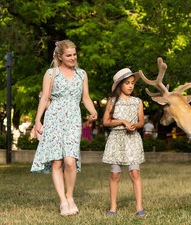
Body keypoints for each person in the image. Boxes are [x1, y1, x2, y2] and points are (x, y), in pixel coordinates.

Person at [30, 40, 98, 216]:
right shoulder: (50, 73)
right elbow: (45, 98)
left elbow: (86, 98)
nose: (73, 58)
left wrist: (93, 110)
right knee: (57, 161)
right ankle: (63, 201)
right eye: (69, 55)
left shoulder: (82, 74)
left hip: (73, 120)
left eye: (74, 54)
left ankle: (70, 196)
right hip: (53, 119)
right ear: (60, 56)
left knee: (70, 160)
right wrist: (38, 121)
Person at [102, 68, 146, 216]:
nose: (130, 86)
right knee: (115, 175)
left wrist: (135, 125)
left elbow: (141, 122)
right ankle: (113, 207)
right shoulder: (112, 101)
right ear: (120, 84)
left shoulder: (137, 102)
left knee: (135, 172)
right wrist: (122, 121)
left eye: (132, 83)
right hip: (116, 139)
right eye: (127, 83)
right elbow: (106, 122)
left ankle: (139, 208)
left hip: (132, 139)